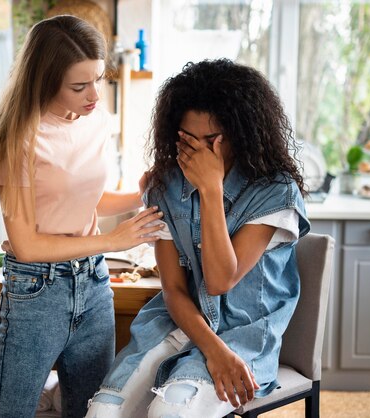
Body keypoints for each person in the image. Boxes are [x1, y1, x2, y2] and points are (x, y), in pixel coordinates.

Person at [85, 59, 311, 418]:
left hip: (242, 333)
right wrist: (213, 351)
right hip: (177, 323)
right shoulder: (166, 185)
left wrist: (210, 188)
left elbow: (221, 280)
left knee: (170, 412)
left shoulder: (275, 192)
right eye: (191, 141)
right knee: (102, 412)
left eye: (213, 141)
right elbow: (173, 290)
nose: (203, 153)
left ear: (241, 133)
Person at [0, 15, 164, 418]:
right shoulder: (19, 138)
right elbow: (26, 245)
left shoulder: (94, 118)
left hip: (94, 285)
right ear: (45, 81)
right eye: (79, 86)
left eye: (98, 78)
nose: (94, 94)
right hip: (36, 293)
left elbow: (86, 203)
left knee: (92, 411)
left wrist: (144, 193)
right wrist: (114, 241)